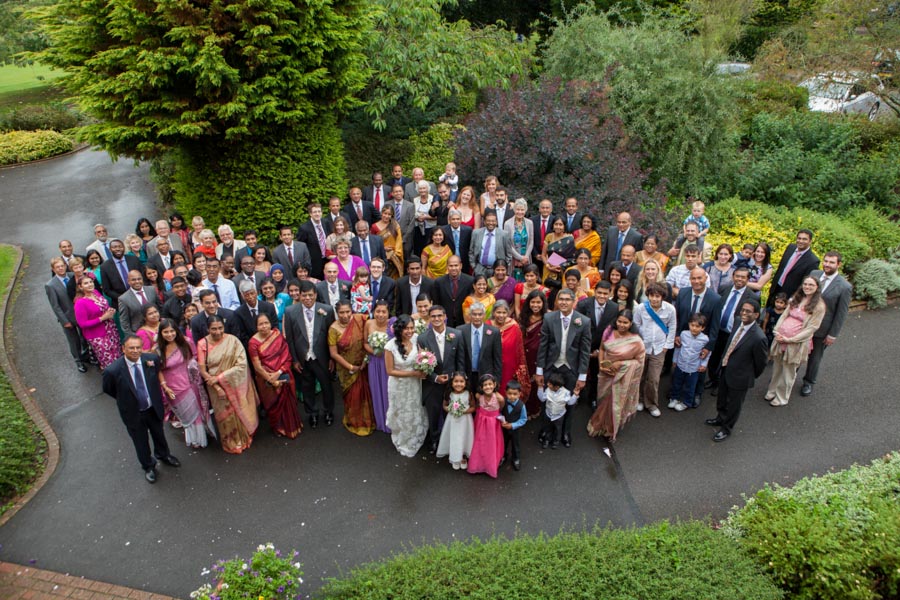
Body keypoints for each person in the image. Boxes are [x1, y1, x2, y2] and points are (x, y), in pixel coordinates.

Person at [102, 335, 181, 484]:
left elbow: (155, 378)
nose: (135, 351)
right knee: (140, 441)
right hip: (133, 413)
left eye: (138, 347)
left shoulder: (151, 360)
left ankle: (164, 455)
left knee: (159, 434)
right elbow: (109, 389)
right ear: (123, 349)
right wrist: (128, 401)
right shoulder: (112, 371)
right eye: (131, 348)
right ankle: (148, 466)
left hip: (152, 408)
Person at [534, 288, 592, 446]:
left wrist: (582, 376)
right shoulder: (549, 318)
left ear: (574, 302)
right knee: (548, 401)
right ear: (557, 301)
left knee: (569, 402)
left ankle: (565, 432)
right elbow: (543, 346)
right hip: (551, 366)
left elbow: (585, 351)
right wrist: (539, 371)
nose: (564, 302)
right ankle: (546, 430)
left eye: (567, 300)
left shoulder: (584, 321)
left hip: (571, 369)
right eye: (561, 299)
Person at [706, 300, 769, 442]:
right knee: (722, 398)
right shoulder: (737, 321)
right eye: (743, 310)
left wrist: (747, 375)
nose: (744, 313)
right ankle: (720, 418)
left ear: (756, 314)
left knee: (734, 405)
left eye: (748, 311)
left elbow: (761, 363)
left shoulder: (759, 337)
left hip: (741, 377)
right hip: (726, 368)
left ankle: (727, 428)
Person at [197, 315, 260, 453]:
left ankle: (244, 437)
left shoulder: (233, 340)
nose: (218, 332)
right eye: (213, 329)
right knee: (225, 416)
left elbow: (242, 365)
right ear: (208, 329)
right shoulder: (202, 344)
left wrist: (220, 377)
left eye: (220, 328)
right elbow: (203, 371)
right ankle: (231, 442)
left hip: (234, 384)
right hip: (215, 387)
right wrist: (217, 387)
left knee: (239, 410)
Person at [765, 276, 826, 407]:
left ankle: (782, 397)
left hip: (795, 344)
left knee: (788, 372)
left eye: (811, 285)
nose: (807, 287)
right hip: (780, 339)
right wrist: (777, 331)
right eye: (805, 284)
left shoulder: (819, 306)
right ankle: (772, 390)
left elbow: (812, 328)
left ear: (817, 288)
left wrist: (791, 339)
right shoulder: (795, 299)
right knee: (777, 367)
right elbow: (784, 315)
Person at [283, 280, 335, 428]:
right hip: (303, 358)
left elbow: (331, 336)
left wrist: (331, 358)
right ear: (299, 296)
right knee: (307, 387)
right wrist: (294, 360)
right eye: (304, 295)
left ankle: (328, 411)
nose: (307, 298)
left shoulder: (327, 310)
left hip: (322, 357)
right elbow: (290, 339)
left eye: (310, 295)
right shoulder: (290, 312)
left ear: (315, 295)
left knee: (326, 386)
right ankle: (312, 413)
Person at [587, 311, 646, 442]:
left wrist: (621, 363)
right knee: (603, 400)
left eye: (625, 322)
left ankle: (610, 428)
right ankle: (601, 424)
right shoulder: (609, 331)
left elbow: (639, 362)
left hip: (622, 378)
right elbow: (602, 349)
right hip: (606, 374)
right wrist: (601, 365)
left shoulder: (636, 341)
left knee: (614, 403)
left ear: (631, 324)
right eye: (620, 321)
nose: (622, 325)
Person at [800, 252, 852, 397]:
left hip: (822, 328)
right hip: (803, 322)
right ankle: (790, 377)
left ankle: (808, 382)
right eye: (826, 261)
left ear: (838, 265)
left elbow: (841, 313)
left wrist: (832, 334)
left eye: (831, 262)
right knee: (797, 351)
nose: (827, 264)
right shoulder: (814, 273)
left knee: (815, 357)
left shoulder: (844, 287)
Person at [157, 319, 212, 448]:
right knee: (185, 414)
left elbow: (194, 358)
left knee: (196, 410)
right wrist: (164, 386)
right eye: (166, 332)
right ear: (161, 333)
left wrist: (197, 376)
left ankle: (199, 438)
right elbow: (158, 370)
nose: (170, 334)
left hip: (190, 382)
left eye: (172, 331)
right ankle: (193, 437)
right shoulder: (158, 350)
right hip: (173, 387)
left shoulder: (186, 342)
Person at [417, 305, 464, 452]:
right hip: (433, 384)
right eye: (433, 316)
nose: (436, 319)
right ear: (429, 319)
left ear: (444, 317)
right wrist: (435, 378)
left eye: (439, 316)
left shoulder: (456, 334)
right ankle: (434, 439)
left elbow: (460, 360)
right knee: (434, 414)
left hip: (453, 383)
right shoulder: (423, 338)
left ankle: (452, 440)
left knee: (452, 413)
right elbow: (421, 363)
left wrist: (458, 381)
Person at [673, 267, 721, 405]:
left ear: (706, 278)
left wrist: (708, 347)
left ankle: (697, 393)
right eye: (693, 278)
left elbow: (715, 326)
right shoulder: (683, 293)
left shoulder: (715, 299)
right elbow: (678, 317)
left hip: (702, 340)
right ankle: (676, 392)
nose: (696, 281)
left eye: (699, 278)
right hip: (684, 337)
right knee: (680, 365)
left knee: (699, 368)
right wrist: (677, 335)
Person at [328, 301, 375, 436]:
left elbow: (374, 324)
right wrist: (350, 367)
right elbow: (333, 353)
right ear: (337, 313)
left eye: (348, 312)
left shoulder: (360, 319)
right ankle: (354, 421)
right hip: (346, 369)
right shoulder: (333, 329)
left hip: (363, 364)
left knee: (366, 393)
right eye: (342, 312)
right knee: (352, 396)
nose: (345, 315)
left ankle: (368, 420)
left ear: (352, 311)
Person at [704, 267, 754, 393]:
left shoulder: (752, 296)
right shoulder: (725, 289)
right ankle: (713, 379)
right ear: (733, 276)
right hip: (718, 330)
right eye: (737, 276)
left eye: (743, 277)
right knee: (714, 356)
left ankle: (721, 384)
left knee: (726, 359)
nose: (739, 279)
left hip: (733, 333)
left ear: (748, 279)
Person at [384, 315, 428, 457]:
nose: (410, 331)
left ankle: (415, 435)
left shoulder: (417, 340)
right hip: (399, 385)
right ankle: (403, 439)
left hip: (415, 384)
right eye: (406, 328)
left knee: (415, 408)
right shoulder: (390, 346)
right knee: (402, 411)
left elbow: (423, 357)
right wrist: (413, 374)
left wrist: (425, 366)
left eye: (411, 328)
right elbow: (390, 371)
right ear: (399, 329)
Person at [633, 282, 676, 417]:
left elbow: (673, 327)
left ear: (662, 296)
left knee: (653, 379)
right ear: (648, 296)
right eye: (652, 295)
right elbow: (636, 324)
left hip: (659, 349)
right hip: (642, 348)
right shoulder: (641, 308)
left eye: (658, 296)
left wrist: (666, 346)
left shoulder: (670, 309)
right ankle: (639, 400)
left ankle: (651, 404)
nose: (655, 299)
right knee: (640, 376)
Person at [576, 280, 619, 411]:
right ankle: (576, 395)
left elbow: (612, 331)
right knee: (579, 372)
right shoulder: (583, 304)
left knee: (596, 374)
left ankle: (593, 398)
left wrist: (600, 350)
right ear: (594, 292)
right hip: (583, 346)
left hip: (601, 348)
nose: (602, 296)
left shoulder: (614, 307)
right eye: (599, 293)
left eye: (605, 294)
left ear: (609, 293)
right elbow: (577, 328)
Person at [46, 257, 89, 373]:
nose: (60, 268)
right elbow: (55, 306)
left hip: (80, 313)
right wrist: (65, 321)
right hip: (67, 316)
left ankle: (86, 355)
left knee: (84, 336)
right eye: (57, 267)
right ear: (53, 269)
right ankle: (78, 361)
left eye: (62, 266)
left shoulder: (73, 275)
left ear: (66, 266)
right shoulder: (51, 285)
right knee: (74, 340)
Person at [74, 277, 121, 370]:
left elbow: (103, 307)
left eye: (91, 282)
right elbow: (82, 324)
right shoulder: (80, 303)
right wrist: (102, 318)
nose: (90, 284)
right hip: (98, 336)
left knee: (118, 354)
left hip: (111, 330)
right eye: (86, 283)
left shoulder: (95, 292)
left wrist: (109, 311)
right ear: (80, 287)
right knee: (109, 360)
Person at [490, 300, 531, 402]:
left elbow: (519, 349)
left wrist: (519, 368)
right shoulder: (487, 325)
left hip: (509, 367)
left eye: (504, 313)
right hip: (492, 365)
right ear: (493, 313)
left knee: (507, 392)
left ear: (508, 313)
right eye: (498, 312)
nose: (501, 315)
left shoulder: (514, 326)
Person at [668, 313, 710, 412]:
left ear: (703, 328)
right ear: (689, 324)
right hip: (681, 365)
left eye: (697, 326)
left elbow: (707, 353)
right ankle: (674, 398)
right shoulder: (683, 334)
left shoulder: (705, 339)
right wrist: (675, 360)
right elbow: (678, 348)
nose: (694, 328)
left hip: (694, 368)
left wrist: (704, 365)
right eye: (692, 325)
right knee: (676, 383)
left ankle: (687, 402)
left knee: (690, 386)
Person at [767, 229, 820, 306]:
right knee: (767, 313)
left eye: (804, 239)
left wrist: (795, 298)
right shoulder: (790, 248)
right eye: (799, 238)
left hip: (789, 295)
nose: (801, 241)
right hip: (776, 289)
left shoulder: (813, 261)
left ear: (810, 241)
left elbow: (805, 282)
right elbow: (781, 267)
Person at [364, 301, 394, 434]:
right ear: (373, 312)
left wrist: (386, 352)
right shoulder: (369, 323)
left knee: (389, 391)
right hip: (374, 361)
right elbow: (365, 343)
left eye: (384, 312)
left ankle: (392, 422)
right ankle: (380, 420)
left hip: (388, 362)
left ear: (388, 313)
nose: (380, 314)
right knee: (376, 390)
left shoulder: (392, 324)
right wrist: (374, 351)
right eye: (378, 311)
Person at [467, 374, 505, 478]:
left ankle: (490, 464)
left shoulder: (499, 398)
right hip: (481, 420)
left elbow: (500, 408)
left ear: (495, 384)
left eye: (490, 384)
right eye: (485, 385)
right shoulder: (479, 396)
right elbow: (478, 405)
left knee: (491, 442)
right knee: (480, 441)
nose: (488, 387)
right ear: (481, 387)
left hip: (493, 424)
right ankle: (478, 463)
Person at [459, 303, 502, 392]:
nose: (477, 317)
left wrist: (496, 380)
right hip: (466, 376)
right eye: (474, 314)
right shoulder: (461, 330)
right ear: (470, 315)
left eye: (480, 314)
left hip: (486, 378)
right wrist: (460, 375)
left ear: (484, 315)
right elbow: (459, 356)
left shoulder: (494, 332)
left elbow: (497, 358)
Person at [437, 372, 475, 470]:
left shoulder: (468, 394)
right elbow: (444, 405)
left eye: (461, 381)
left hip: (465, 421)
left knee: (464, 437)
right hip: (453, 420)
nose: (459, 384)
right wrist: (451, 409)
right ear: (452, 383)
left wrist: (464, 411)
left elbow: (473, 407)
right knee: (455, 437)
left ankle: (462, 456)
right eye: (456, 381)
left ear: (465, 383)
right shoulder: (449, 393)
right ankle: (455, 457)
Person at [520, 289, 548, 418]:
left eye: (538, 302)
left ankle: (534, 410)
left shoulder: (547, 318)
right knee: (524, 382)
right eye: (533, 302)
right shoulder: (523, 317)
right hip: (524, 356)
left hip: (539, 357)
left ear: (543, 304)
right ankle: (523, 409)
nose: (535, 305)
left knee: (537, 384)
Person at [99, 239, 143, 308]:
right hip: (121, 302)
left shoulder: (134, 260)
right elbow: (106, 289)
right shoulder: (105, 267)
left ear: (124, 248)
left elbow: (143, 277)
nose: (118, 249)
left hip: (140, 296)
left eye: (120, 246)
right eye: (115, 247)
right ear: (110, 249)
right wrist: (124, 298)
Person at [537, 371, 576, 449]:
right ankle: (547, 440)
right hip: (549, 414)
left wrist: (575, 395)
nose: (547, 385)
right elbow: (542, 398)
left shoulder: (565, 393)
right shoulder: (548, 390)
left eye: (550, 384)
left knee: (558, 429)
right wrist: (540, 388)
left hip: (559, 415)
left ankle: (556, 442)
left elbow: (570, 402)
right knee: (548, 428)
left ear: (557, 387)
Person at [433, 255, 474, 328]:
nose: (453, 268)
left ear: (461, 266)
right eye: (451, 266)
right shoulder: (439, 282)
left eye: (456, 265)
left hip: (464, 322)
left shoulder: (470, 281)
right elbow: (437, 303)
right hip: (446, 323)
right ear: (447, 267)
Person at [233, 280, 277, 348]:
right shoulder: (238, 313)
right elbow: (242, 335)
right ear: (242, 296)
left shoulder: (269, 307)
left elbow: (274, 327)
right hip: (251, 348)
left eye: (252, 293)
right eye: (247, 295)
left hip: (271, 346)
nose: (250, 297)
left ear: (256, 292)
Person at [499, 380, 527, 471]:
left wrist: (513, 425)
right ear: (505, 393)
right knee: (503, 443)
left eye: (515, 394)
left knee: (516, 445)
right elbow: (499, 412)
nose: (512, 396)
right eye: (509, 393)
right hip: (504, 429)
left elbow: (523, 419)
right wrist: (501, 420)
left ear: (519, 394)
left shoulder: (521, 406)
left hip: (516, 430)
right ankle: (503, 456)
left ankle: (516, 459)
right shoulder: (503, 402)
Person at [371, 204, 405, 278]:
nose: (386, 216)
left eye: (389, 214)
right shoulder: (374, 227)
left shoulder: (395, 225)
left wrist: (395, 254)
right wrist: (384, 248)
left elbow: (399, 241)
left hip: (394, 258)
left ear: (392, 215)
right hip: (381, 256)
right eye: (385, 213)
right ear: (381, 213)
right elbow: (372, 243)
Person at [540, 217, 574, 285]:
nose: (558, 227)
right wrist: (548, 266)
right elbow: (543, 255)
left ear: (564, 226)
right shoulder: (549, 236)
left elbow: (571, 258)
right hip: (548, 268)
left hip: (561, 270)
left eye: (560, 224)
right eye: (556, 224)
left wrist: (560, 266)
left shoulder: (569, 238)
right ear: (553, 225)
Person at [504, 199, 533, 280]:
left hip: (526, 259)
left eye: (522, 209)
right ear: (514, 210)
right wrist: (520, 258)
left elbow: (531, 242)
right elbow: (508, 244)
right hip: (514, 259)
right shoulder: (507, 224)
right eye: (518, 209)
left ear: (525, 210)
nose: (520, 212)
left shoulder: (529, 223)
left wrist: (525, 257)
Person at [412, 180, 437, 256]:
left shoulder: (433, 199)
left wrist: (425, 217)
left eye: (424, 188)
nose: (422, 190)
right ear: (417, 190)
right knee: (419, 249)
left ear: (428, 189)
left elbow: (437, 216)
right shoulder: (415, 200)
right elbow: (412, 213)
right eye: (420, 188)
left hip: (431, 228)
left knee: (430, 249)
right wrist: (418, 217)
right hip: (418, 228)